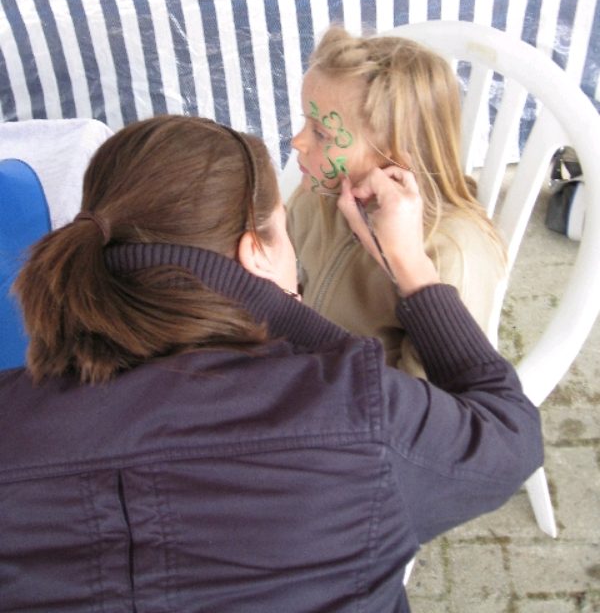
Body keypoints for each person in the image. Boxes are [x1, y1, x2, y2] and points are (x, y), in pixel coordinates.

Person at [0, 114, 542, 613]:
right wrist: (407, 264)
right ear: (254, 250)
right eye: (282, 230)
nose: (299, 141)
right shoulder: (357, 418)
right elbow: (509, 434)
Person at [287, 26, 507, 375]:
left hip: (369, 400)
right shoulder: (317, 197)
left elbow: (433, 394)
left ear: (395, 157)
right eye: (305, 121)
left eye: (320, 133)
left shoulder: (453, 255)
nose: (296, 141)